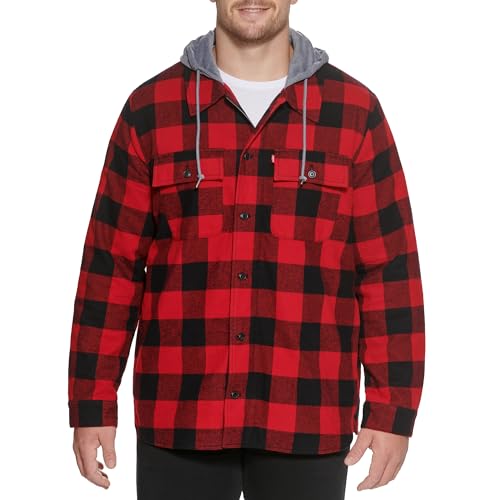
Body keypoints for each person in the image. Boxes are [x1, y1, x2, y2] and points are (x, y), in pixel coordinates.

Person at [68, 1, 426, 499]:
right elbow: (111, 265)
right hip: (180, 414)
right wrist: (91, 402)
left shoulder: (354, 112)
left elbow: (389, 270)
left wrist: (392, 412)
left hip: (306, 416)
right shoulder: (150, 109)